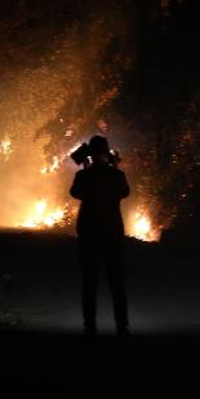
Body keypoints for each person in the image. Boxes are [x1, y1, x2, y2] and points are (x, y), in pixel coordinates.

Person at [69, 135, 130, 337]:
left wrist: (86, 169)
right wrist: (115, 166)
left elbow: (75, 193)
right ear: (106, 152)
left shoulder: (83, 176)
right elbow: (124, 192)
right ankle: (122, 326)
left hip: (89, 233)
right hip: (112, 233)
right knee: (116, 282)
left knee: (89, 282)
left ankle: (90, 326)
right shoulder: (116, 175)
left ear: (90, 154)